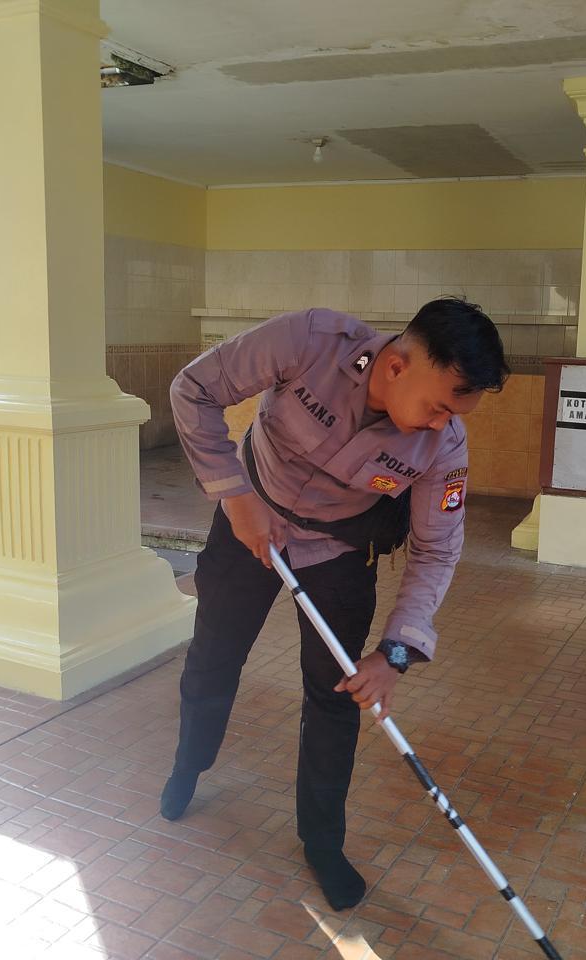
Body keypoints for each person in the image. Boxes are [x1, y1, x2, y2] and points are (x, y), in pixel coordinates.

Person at [162, 296, 508, 910]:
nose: (440, 426)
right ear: (397, 366)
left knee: (335, 695)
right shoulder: (308, 340)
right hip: (251, 520)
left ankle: (322, 842)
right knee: (214, 654)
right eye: (437, 407)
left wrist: (395, 653)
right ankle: (189, 764)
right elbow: (193, 389)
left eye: (453, 415)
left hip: (339, 552)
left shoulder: (444, 448)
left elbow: (437, 549)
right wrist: (235, 497)